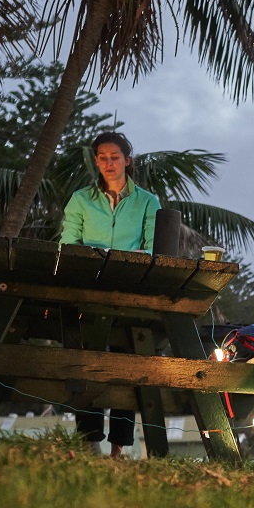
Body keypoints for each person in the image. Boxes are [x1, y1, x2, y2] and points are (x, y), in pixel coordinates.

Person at [60, 131, 162, 457]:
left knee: (125, 365)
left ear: (127, 161)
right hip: (88, 290)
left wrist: (124, 265)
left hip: (130, 292)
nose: (108, 163)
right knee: (86, 361)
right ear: (96, 161)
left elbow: (153, 249)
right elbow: (68, 245)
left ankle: (119, 447)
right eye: (102, 158)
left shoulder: (148, 201)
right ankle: (89, 440)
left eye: (114, 157)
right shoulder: (80, 199)